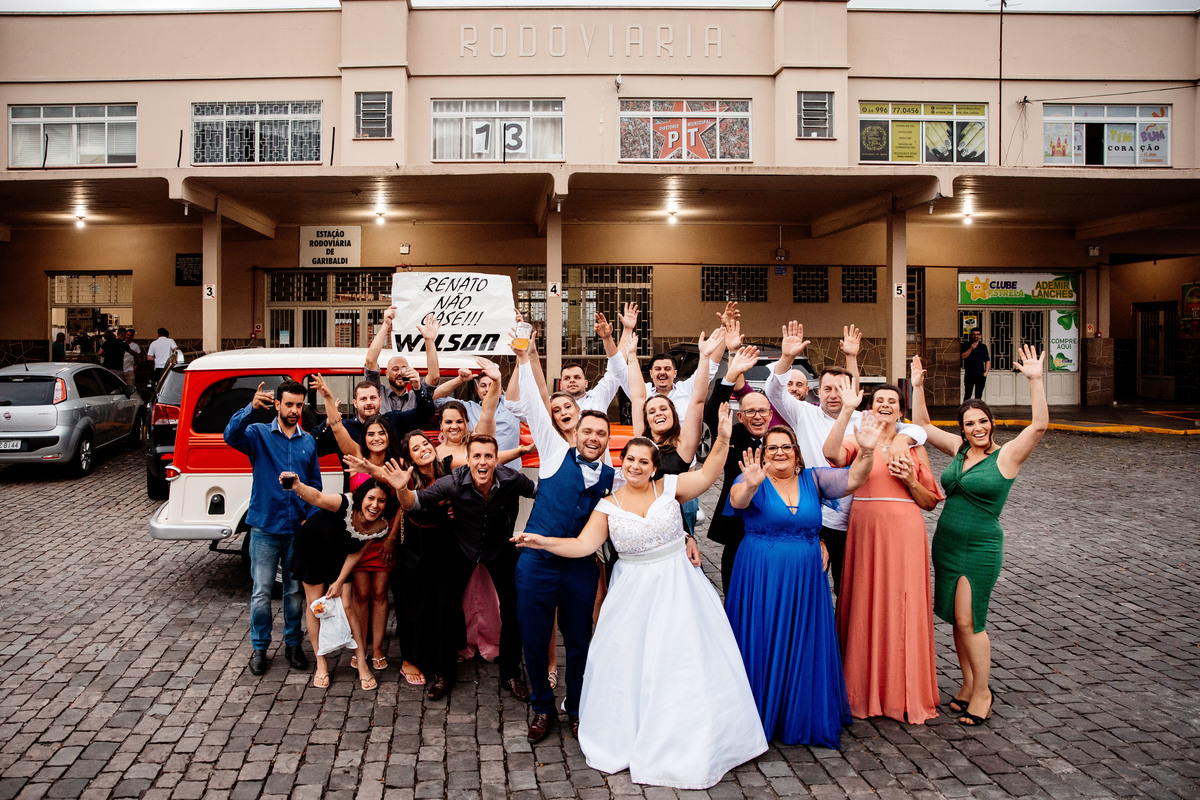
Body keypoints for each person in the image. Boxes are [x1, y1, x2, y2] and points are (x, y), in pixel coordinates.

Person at [512, 415, 769, 790]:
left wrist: (725, 436)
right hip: (632, 592)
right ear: (623, 462)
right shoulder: (608, 503)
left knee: (682, 660)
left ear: (653, 467)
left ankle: (690, 731)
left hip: (679, 588)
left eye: (643, 461)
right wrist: (543, 541)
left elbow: (711, 472)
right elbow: (584, 545)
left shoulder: (670, 489)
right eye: (629, 459)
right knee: (633, 661)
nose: (634, 465)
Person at [911, 345, 1048, 726]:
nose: (978, 428)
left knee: (972, 620)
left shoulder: (1006, 457)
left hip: (980, 546)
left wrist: (1035, 380)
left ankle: (984, 693)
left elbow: (1038, 426)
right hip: (947, 545)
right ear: (963, 428)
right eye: (970, 423)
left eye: (983, 421)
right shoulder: (958, 451)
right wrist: (917, 386)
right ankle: (968, 684)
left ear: (992, 422)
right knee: (957, 620)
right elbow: (921, 426)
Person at [724, 418, 882, 748]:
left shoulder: (814, 479)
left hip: (806, 578)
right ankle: (758, 714)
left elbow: (853, 479)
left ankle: (798, 712)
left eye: (786, 447)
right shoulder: (753, 478)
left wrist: (866, 451)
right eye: (772, 448)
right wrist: (752, 484)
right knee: (763, 637)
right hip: (762, 575)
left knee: (802, 639)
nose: (779, 453)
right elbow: (738, 500)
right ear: (763, 454)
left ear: (797, 454)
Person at [765, 321, 926, 594]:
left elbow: (917, 429)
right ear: (818, 391)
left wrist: (903, 438)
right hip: (811, 516)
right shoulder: (803, 413)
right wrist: (787, 358)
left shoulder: (864, 419)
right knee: (807, 586)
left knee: (849, 589)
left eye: (840, 389)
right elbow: (773, 392)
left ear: (850, 392)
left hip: (853, 520)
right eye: (827, 388)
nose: (833, 394)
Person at [512, 331, 614, 743]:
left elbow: (654, 500)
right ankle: (540, 705)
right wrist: (523, 348)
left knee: (579, 639)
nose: (592, 438)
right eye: (587, 431)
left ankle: (576, 705)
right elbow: (536, 403)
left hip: (579, 567)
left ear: (607, 441)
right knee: (535, 639)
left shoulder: (612, 476)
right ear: (576, 432)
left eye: (600, 434)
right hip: (536, 563)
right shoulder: (555, 452)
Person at [823, 378, 943, 724]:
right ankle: (861, 689)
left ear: (900, 411)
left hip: (905, 531)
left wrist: (909, 480)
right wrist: (847, 412)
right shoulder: (860, 441)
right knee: (864, 602)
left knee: (903, 604)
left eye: (892, 401)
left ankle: (902, 690)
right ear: (871, 407)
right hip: (865, 529)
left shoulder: (913, 447)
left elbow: (930, 502)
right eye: (879, 401)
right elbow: (830, 454)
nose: (885, 405)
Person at [394, 434, 537, 702]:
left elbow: (540, 495)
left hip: (499, 548)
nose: (482, 462)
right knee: (445, 607)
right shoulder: (452, 481)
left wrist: (533, 532)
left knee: (513, 607)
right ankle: (444, 674)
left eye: (488, 456)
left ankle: (511, 673)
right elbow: (413, 502)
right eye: (477, 456)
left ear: (496, 459)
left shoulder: (512, 479)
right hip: (461, 549)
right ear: (468, 459)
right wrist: (403, 488)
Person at [223, 379, 320, 676]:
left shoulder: (308, 442)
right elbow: (230, 436)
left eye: (298, 405)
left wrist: (309, 517)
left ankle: (293, 646)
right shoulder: (258, 434)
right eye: (288, 404)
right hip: (265, 526)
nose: (294, 410)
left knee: (293, 592)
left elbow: (314, 484)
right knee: (262, 591)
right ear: (277, 404)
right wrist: (249, 409)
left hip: (295, 529)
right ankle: (260, 648)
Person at [312, 375, 403, 677]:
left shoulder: (396, 464)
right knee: (361, 595)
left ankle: (377, 648)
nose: (376, 437)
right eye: (371, 433)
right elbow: (337, 429)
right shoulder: (356, 457)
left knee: (380, 594)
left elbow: (401, 505)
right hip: (356, 540)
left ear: (388, 436)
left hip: (385, 539)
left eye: (381, 433)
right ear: (364, 437)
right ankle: (360, 646)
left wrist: (391, 539)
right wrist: (327, 398)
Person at [284, 472, 399, 690]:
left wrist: (339, 580)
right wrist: (298, 486)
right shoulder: (345, 502)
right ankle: (321, 663)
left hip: (338, 555)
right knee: (315, 605)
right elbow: (317, 498)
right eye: (371, 499)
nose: (375, 505)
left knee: (347, 605)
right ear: (361, 498)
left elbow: (356, 553)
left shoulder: (381, 525)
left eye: (381, 501)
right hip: (311, 548)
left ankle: (362, 663)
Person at [628, 327, 726, 534]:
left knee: (687, 529)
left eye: (664, 409)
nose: (658, 414)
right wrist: (631, 356)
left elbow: (698, 401)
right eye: (652, 411)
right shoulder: (642, 440)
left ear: (674, 415)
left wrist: (705, 357)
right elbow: (637, 396)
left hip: (677, 510)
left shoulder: (684, 447)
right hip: (644, 512)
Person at [704, 347, 776, 593]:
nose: (758, 416)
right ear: (741, 416)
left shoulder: (781, 441)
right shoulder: (730, 435)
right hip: (737, 526)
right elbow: (713, 411)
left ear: (770, 415)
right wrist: (730, 376)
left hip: (772, 525)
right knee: (735, 587)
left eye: (763, 411)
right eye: (750, 412)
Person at [364, 308, 441, 414]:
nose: (400, 372)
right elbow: (370, 361)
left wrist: (429, 340)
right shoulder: (377, 394)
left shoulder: (417, 395)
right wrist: (386, 324)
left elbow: (433, 377)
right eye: (395, 369)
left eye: (404, 368)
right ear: (386, 373)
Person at [961, 328, 990, 401]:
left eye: (977, 334)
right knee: (968, 394)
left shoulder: (983, 347)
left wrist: (986, 372)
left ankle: (977, 410)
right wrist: (971, 348)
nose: (975, 336)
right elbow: (963, 356)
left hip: (980, 374)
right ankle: (966, 410)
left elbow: (987, 360)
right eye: (974, 334)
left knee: (979, 395)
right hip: (969, 374)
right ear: (971, 335)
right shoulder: (966, 345)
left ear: (980, 336)